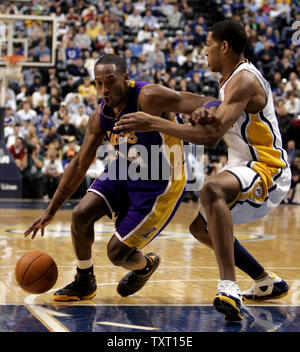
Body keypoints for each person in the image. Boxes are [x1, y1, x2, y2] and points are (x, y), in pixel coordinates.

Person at [114, 20, 291, 321]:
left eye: (208, 43)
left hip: (267, 166)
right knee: (200, 228)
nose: (204, 51)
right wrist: (202, 112)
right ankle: (265, 281)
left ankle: (229, 288)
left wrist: (154, 122)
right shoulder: (229, 81)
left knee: (211, 188)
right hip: (243, 163)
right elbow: (204, 114)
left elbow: (210, 138)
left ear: (223, 47)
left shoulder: (244, 79)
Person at [24, 54, 215, 302]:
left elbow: (205, 101)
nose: (104, 89)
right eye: (98, 83)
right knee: (80, 215)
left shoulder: (150, 97)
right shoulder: (100, 116)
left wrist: (206, 111)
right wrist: (51, 210)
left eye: (110, 81)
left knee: (116, 254)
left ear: (125, 78)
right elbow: (79, 164)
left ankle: (144, 265)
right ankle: (84, 281)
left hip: (161, 181)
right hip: (125, 169)